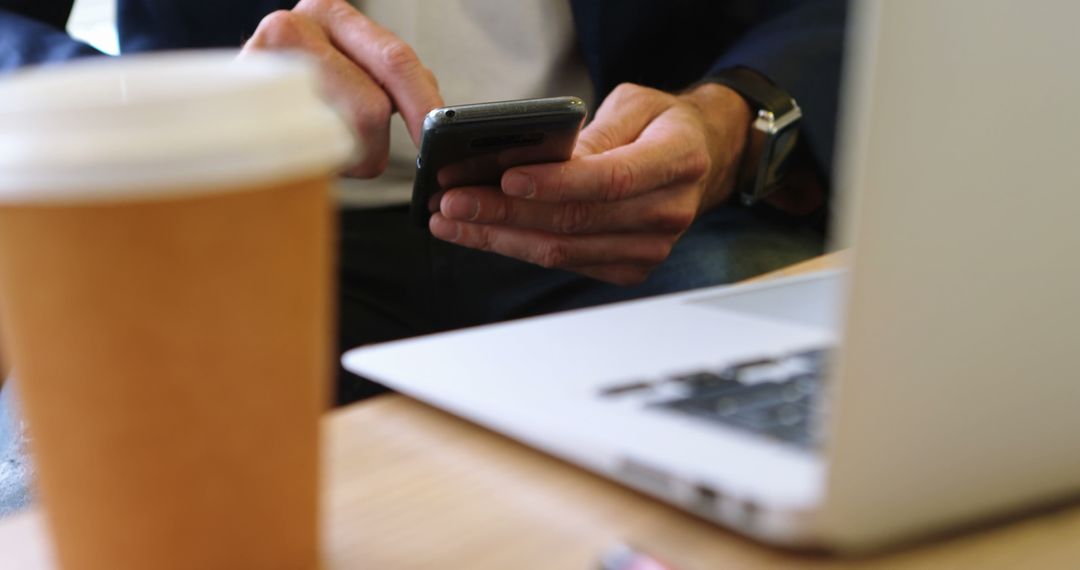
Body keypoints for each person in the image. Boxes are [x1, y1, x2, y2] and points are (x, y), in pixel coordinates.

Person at [0, 0, 846, 515]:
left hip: (636, 212)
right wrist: (192, 102)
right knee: (82, 501)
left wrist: (739, 114)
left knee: (823, 450)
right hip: (242, 217)